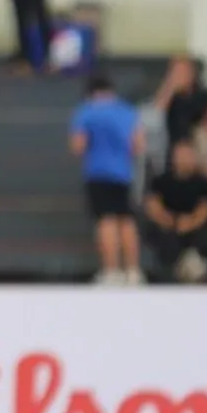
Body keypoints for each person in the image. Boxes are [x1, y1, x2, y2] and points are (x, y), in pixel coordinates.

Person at [69, 74, 145, 286]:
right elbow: (138, 145)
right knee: (126, 220)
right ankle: (133, 271)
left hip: (98, 173)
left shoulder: (86, 111)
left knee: (106, 220)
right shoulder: (127, 111)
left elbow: (78, 146)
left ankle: (111, 270)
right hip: (123, 173)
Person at [145, 139, 207, 282]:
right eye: (180, 155)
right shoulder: (161, 181)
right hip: (168, 226)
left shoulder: (204, 183)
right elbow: (153, 205)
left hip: (197, 227)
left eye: (187, 154)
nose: (184, 159)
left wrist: (189, 223)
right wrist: (170, 222)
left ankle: (195, 267)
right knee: (162, 237)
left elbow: (205, 209)